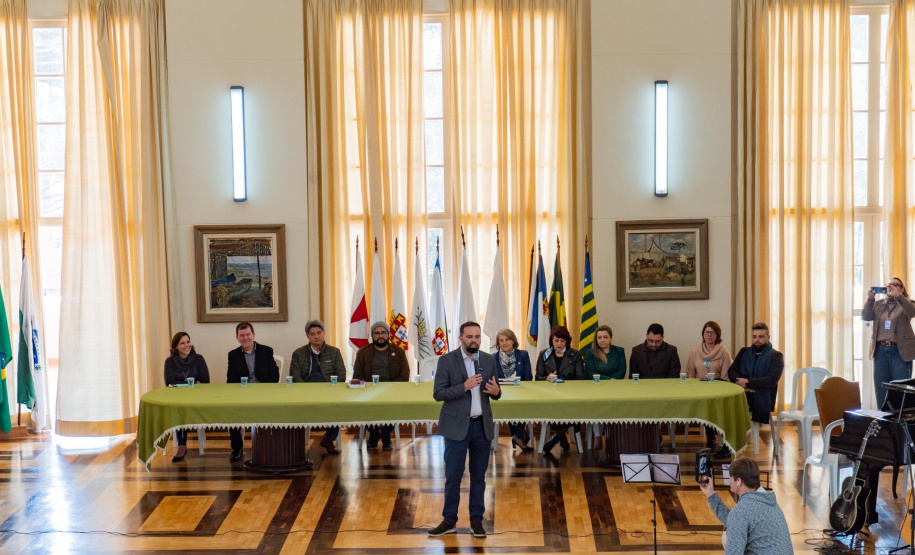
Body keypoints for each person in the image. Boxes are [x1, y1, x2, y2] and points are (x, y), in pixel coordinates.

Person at [428, 321, 501, 538]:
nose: (474, 340)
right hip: (456, 427)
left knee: (479, 477)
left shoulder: (488, 360)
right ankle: (449, 521)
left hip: (482, 426)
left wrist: (497, 392)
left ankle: (476, 522)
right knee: (453, 476)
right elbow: (438, 393)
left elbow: (495, 391)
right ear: (460, 338)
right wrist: (464, 387)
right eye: (469, 337)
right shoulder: (447, 360)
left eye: (477, 337)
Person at [699, 457, 793, 554]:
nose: (729, 480)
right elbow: (734, 522)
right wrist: (710, 494)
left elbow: (734, 552)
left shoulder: (741, 511)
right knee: (728, 536)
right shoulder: (767, 500)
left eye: (730, 476)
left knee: (727, 537)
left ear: (739, 481)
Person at [290, 319, 346, 454]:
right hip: (306, 392)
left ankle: (328, 438)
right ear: (308, 337)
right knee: (291, 408)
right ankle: (295, 444)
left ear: (324, 334)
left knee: (338, 408)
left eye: (319, 333)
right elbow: (294, 376)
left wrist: (330, 388)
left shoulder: (334, 352)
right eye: (312, 334)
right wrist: (306, 390)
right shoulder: (298, 353)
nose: (316, 336)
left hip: (329, 392)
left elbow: (341, 375)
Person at [352, 321, 409, 450]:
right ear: (372, 335)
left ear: (388, 334)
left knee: (396, 406)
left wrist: (391, 388)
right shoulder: (363, 352)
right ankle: (374, 432)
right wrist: (367, 388)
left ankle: (385, 433)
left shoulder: (398, 351)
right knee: (361, 406)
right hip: (368, 390)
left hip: (392, 390)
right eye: (377, 333)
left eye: (383, 332)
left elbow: (405, 375)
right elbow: (357, 376)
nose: (380, 336)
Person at [227, 322, 279, 462]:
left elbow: (274, 376)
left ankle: (270, 446)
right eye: (242, 335)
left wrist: (263, 391)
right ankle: (237, 449)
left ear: (253, 335)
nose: (245, 338)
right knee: (231, 411)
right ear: (237, 337)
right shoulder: (233, 355)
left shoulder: (266, 351)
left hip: (264, 393)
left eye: (248, 334)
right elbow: (231, 380)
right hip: (242, 394)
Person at [862, 277, 915, 408]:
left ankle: (902, 423)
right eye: (888, 285)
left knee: (901, 388)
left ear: (902, 289)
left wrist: (898, 297)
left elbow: (912, 312)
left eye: (895, 285)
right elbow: (866, 316)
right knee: (881, 388)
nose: (891, 287)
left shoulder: (907, 303)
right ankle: (883, 421)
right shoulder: (878, 304)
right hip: (879, 350)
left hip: (899, 351)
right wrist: (870, 299)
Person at [536, 326, 585, 454]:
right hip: (550, 396)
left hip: (571, 396)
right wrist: (546, 378)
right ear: (551, 340)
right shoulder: (544, 354)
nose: (559, 344)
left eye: (562, 341)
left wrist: (563, 381)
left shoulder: (575, 355)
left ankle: (556, 436)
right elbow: (537, 378)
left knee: (571, 409)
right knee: (548, 408)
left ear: (567, 341)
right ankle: (561, 436)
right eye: (556, 340)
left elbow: (581, 378)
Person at [685, 321, 733, 451]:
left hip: (717, 390)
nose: (709, 335)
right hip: (698, 390)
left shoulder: (724, 353)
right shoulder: (694, 352)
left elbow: (725, 377)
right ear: (703, 334)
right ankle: (711, 436)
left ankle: (718, 437)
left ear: (717, 335)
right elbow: (690, 374)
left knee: (713, 404)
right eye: (707, 332)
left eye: (712, 332)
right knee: (704, 403)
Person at [163, 332, 210, 463]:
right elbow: (169, 384)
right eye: (182, 343)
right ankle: (181, 447)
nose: (187, 345)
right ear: (175, 346)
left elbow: (205, 381)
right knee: (180, 410)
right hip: (179, 398)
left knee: (183, 409)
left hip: (197, 398)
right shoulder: (169, 362)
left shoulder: (199, 359)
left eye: (188, 342)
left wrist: (181, 384)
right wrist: (194, 383)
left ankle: (182, 446)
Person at [584, 325, 626, 451]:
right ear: (596, 339)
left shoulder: (619, 351)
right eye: (599, 337)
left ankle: (614, 436)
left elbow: (622, 371)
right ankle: (597, 436)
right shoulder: (590, 352)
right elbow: (590, 373)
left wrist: (612, 381)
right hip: (596, 388)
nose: (602, 340)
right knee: (597, 407)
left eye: (605, 337)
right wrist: (609, 380)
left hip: (615, 389)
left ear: (611, 338)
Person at [494, 328, 533, 451]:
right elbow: (492, 379)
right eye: (501, 340)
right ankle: (520, 437)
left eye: (507, 339)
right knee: (512, 404)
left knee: (518, 404)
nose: (504, 343)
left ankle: (518, 436)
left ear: (513, 341)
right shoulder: (493, 358)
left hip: (521, 392)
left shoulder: (523, 355)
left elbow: (528, 377)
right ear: (498, 343)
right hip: (501, 394)